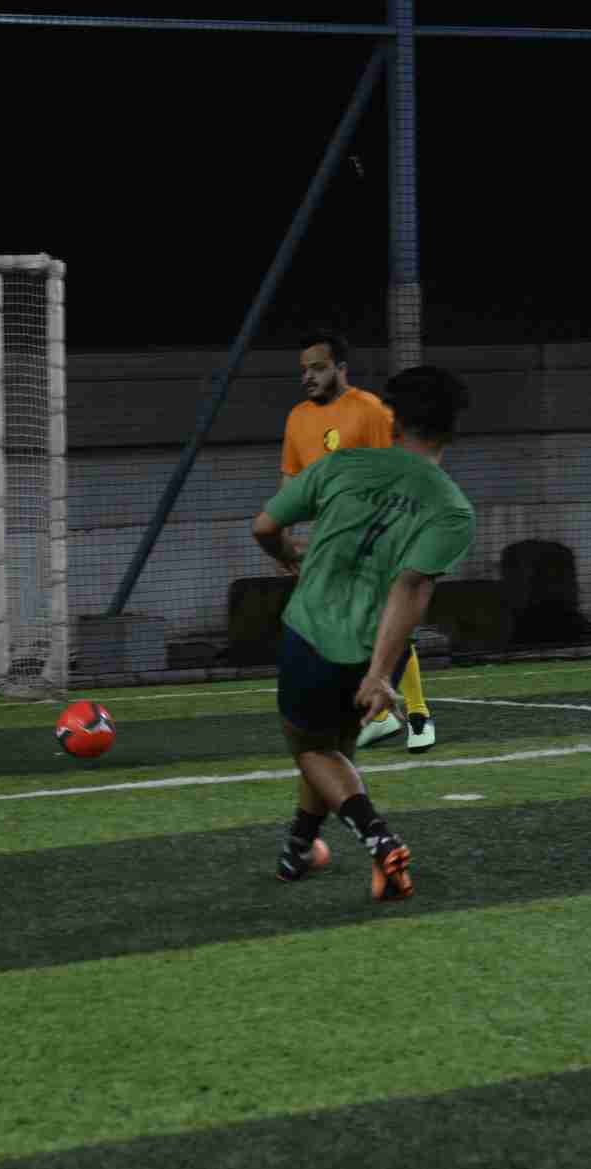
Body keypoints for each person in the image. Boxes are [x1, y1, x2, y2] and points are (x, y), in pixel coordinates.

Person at [253, 365, 477, 901]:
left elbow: (264, 526)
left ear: (393, 420)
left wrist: (287, 554)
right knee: (335, 748)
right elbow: (410, 588)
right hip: (377, 650)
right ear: (452, 430)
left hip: (311, 632)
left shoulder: (342, 464)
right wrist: (378, 674)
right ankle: (297, 850)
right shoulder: (452, 508)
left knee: (310, 748)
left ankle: (380, 841)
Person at [278, 329, 438, 754]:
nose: (308, 377)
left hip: (377, 537)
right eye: (304, 370)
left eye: (318, 368)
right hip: (327, 544)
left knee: (383, 620)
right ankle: (379, 715)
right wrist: (285, 538)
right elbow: (291, 478)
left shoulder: (370, 411)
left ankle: (417, 714)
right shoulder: (297, 418)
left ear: (341, 369)